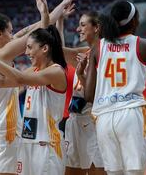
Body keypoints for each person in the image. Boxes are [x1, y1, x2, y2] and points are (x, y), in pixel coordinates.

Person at [0, 0, 82, 175]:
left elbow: (34, 31)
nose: (26, 51)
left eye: (30, 48)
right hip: (5, 130)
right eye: (10, 32)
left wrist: (50, 12)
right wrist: (49, 14)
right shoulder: (2, 54)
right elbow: (37, 33)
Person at [83, 1, 146, 175]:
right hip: (130, 115)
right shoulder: (143, 44)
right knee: (135, 172)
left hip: (104, 118)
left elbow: (88, 95)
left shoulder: (98, 46)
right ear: (133, 22)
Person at [0, 23, 67, 175]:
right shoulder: (34, 70)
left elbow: (19, 79)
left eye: (30, 47)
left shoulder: (56, 71)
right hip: (28, 143)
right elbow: (1, 82)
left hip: (47, 146)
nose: (26, 52)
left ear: (44, 48)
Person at [62, 11, 105, 175]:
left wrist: (81, 74)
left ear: (96, 28)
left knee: (97, 171)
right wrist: (58, 18)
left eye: (83, 25)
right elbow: (58, 50)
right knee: (71, 171)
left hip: (93, 121)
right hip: (75, 119)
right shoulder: (85, 52)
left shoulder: (104, 53)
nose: (78, 29)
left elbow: (98, 92)